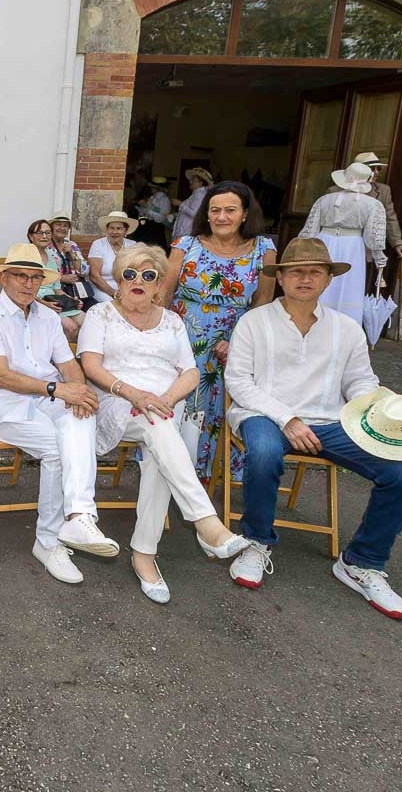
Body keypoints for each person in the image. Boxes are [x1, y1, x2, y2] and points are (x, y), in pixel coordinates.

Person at [225, 238, 402, 620]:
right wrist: (287, 418)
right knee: (265, 453)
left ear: (327, 280)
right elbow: (238, 382)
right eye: (296, 271)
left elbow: (360, 382)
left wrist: (376, 411)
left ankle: (361, 562)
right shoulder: (254, 322)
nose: (305, 278)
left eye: (315, 272)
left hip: (333, 421)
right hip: (266, 414)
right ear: (282, 277)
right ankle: (255, 541)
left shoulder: (347, 328)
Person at [76, 245, 249, 604]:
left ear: (158, 286)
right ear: (119, 282)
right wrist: (134, 393)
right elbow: (91, 366)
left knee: (159, 443)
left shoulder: (172, 320)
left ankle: (145, 554)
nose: (138, 280)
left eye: (148, 275)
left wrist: (166, 400)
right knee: (161, 428)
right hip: (116, 401)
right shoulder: (101, 315)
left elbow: (190, 372)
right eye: (129, 274)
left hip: (164, 409)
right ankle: (203, 523)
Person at [0, 242, 116, 586]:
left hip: (47, 400)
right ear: (3, 278)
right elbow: (2, 377)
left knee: (83, 414)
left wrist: (76, 391)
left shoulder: (49, 316)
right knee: (55, 447)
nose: (28, 284)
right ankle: (48, 543)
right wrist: (58, 390)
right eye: (20, 276)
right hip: (0, 405)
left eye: (35, 277)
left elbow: (69, 366)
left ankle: (79, 515)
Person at [162, 181, 277, 484]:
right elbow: (163, 294)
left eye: (230, 210)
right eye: (215, 210)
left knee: (224, 404)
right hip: (182, 338)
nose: (221, 216)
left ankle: (212, 471)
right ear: (206, 214)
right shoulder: (184, 245)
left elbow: (263, 302)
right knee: (182, 400)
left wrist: (237, 341)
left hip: (236, 341)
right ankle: (172, 466)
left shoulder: (265, 250)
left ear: (244, 214)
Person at [298, 161, 387, 325]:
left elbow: (310, 230)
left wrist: (302, 251)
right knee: (349, 287)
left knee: (320, 281)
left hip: (324, 243)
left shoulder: (324, 200)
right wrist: (378, 255)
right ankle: (346, 327)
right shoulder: (373, 204)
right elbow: (373, 236)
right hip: (352, 246)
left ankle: (312, 322)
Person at [345, 152, 402, 261]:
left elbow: (389, 218)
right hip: (341, 244)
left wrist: (397, 243)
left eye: (379, 169)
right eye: (373, 169)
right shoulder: (336, 191)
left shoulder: (383, 190)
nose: (377, 173)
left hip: (366, 248)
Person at [27, 219, 83, 339]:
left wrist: (72, 301)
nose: (44, 236)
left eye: (47, 233)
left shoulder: (50, 255)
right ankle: (57, 356)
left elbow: (57, 289)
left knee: (87, 321)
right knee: (71, 327)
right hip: (34, 301)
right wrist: (45, 304)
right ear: (31, 237)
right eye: (40, 233)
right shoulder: (27, 255)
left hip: (53, 301)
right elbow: (24, 290)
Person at [86, 211, 140, 299]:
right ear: (107, 229)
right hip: (102, 289)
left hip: (127, 289)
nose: (115, 232)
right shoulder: (98, 244)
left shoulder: (132, 245)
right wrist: (114, 293)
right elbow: (94, 276)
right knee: (113, 307)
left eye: (119, 228)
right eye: (112, 228)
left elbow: (138, 271)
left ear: (125, 230)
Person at [46, 212, 94, 306]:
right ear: (51, 227)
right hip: (56, 291)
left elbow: (84, 272)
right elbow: (42, 274)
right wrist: (61, 278)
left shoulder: (72, 245)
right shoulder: (46, 246)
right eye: (58, 224)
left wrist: (72, 254)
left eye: (65, 226)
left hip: (77, 290)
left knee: (94, 309)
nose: (62, 228)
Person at [172, 167, 213, 242]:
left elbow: (195, 214)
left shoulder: (199, 195)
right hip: (185, 232)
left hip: (187, 233)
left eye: (193, 180)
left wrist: (180, 204)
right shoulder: (195, 194)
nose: (190, 182)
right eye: (191, 180)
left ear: (200, 183)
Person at [135, 175, 174, 246]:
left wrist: (147, 210)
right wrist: (141, 208)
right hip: (149, 225)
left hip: (157, 228)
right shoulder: (153, 197)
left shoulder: (164, 200)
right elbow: (149, 211)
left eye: (152, 187)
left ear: (156, 188)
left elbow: (161, 218)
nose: (151, 189)